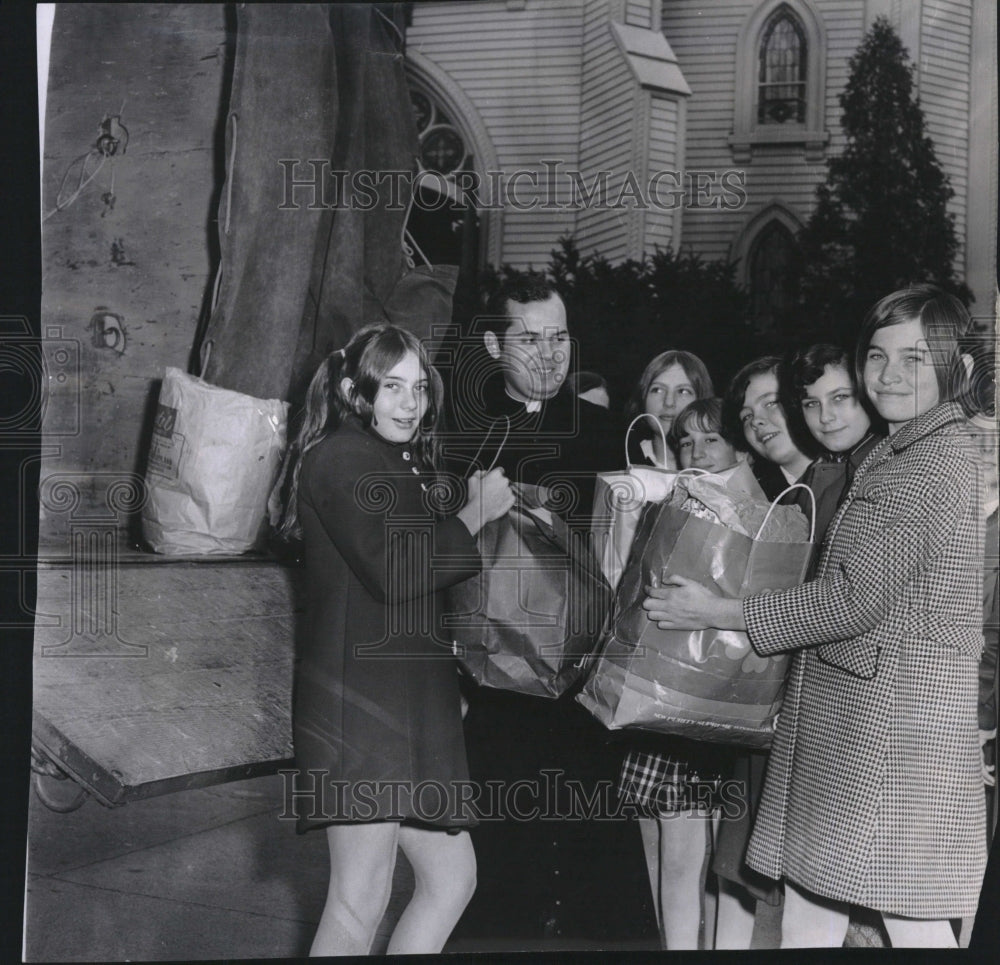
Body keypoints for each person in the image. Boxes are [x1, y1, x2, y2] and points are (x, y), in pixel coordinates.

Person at [646, 286, 987, 947]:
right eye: (878, 356)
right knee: (814, 911)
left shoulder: (927, 463)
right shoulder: (904, 449)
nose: (889, 375)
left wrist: (716, 608)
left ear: (954, 368)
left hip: (888, 736)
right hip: (867, 727)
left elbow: (852, 598)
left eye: (915, 358)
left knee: (908, 924)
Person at [279, 325, 514, 956]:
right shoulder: (340, 458)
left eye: (419, 387)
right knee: (359, 900)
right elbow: (398, 569)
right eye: (392, 387)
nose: (411, 403)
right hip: (359, 708)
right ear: (357, 391)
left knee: (451, 878)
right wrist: (474, 513)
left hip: (404, 707)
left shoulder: (390, 458)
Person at [444, 273, 646, 943]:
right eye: (529, 338)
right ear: (495, 344)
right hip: (497, 690)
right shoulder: (459, 433)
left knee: (596, 859)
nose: (549, 354)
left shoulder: (611, 432)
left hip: (588, 689)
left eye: (559, 337)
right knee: (502, 863)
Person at [618, 395, 749, 950]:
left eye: (710, 439)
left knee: (717, 863)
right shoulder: (679, 499)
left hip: (719, 701)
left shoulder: (756, 506)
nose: (696, 451)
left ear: (738, 445)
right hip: (676, 697)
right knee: (679, 855)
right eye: (686, 442)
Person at [625, 350, 714, 469]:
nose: (669, 402)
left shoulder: (720, 467)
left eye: (683, 391)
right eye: (658, 390)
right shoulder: (620, 462)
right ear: (643, 397)